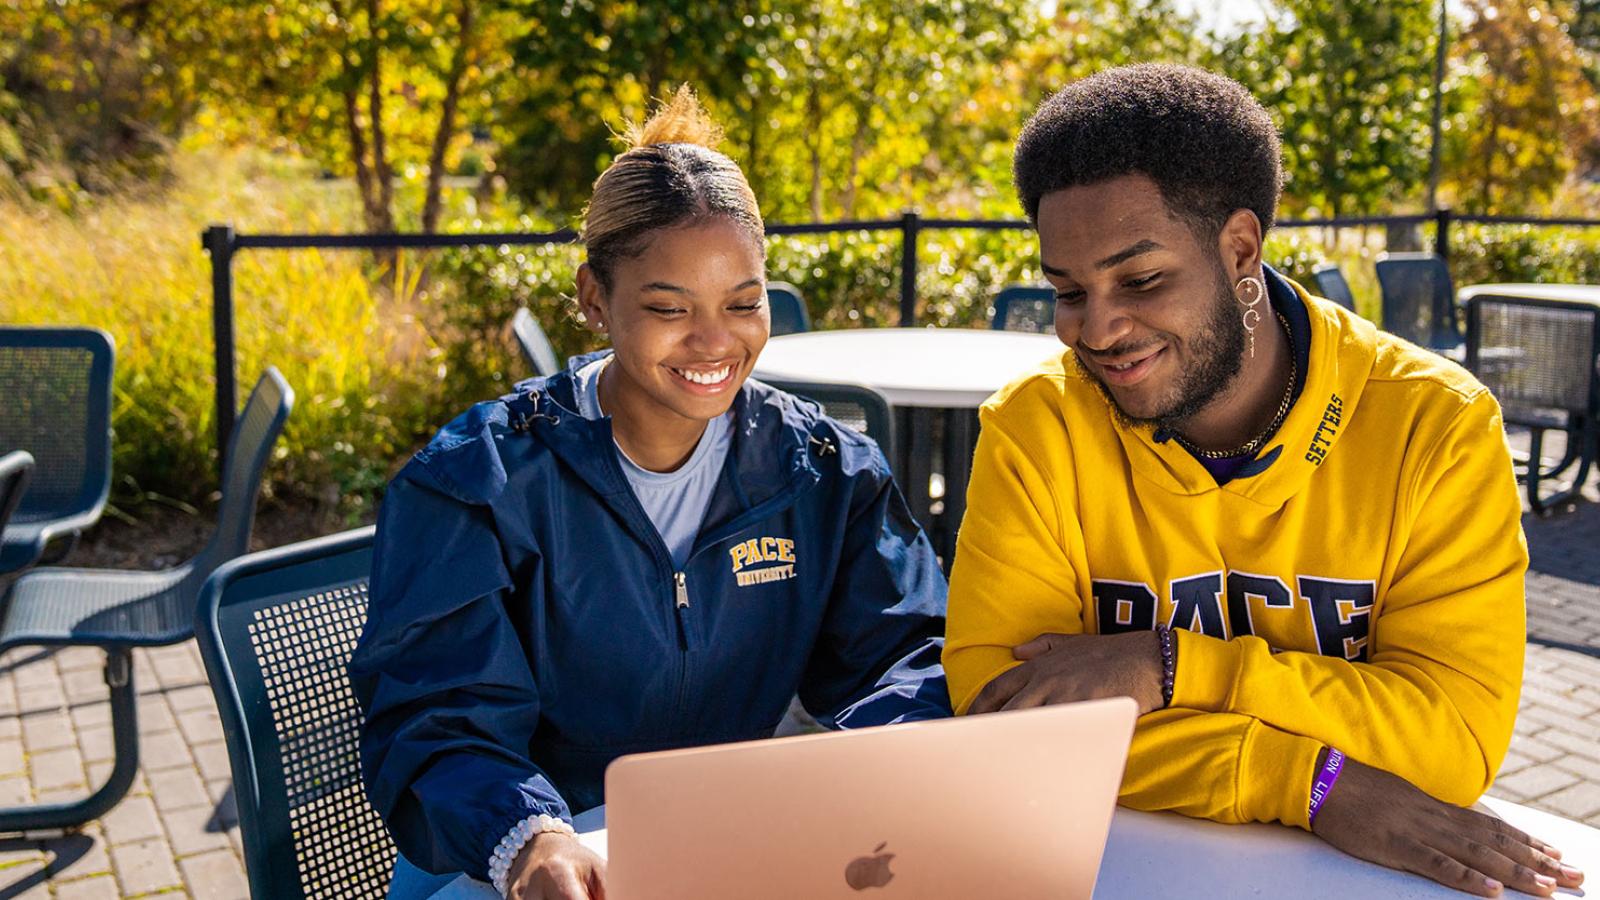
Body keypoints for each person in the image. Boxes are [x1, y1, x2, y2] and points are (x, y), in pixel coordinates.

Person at [943, 64, 1585, 898]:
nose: (1097, 329)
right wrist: (1308, 781)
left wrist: (1171, 667)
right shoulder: (1036, 425)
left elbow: (1450, 741)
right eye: (1068, 290)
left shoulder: (1437, 424)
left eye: (1141, 280)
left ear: (1239, 248)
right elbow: (1002, 716)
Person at [350, 87, 949, 900]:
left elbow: (904, 656)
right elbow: (437, 716)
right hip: (506, 862)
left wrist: (858, 781)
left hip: (710, 854)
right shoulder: (476, 483)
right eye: (670, 308)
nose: (715, 343)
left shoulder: (823, 472)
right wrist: (530, 838)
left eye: (744, 304)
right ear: (595, 298)